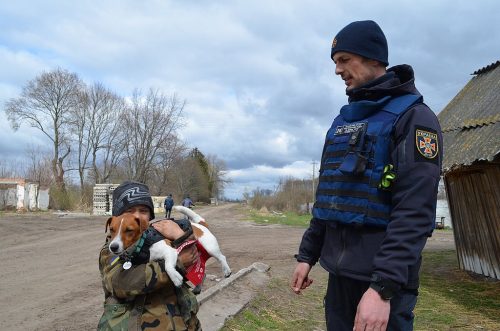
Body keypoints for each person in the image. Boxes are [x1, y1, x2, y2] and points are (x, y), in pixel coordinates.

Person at [290, 20, 442, 331]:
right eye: (335, 62)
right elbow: (328, 197)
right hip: (341, 278)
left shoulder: (415, 119)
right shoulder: (344, 122)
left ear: (374, 58)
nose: (337, 70)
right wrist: (307, 255)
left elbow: (414, 212)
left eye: (344, 59)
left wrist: (382, 288)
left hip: (384, 285)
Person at [98, 181, 201, 330]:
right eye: (130, 210)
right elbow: (123, 283)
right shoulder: (111, 250)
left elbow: (193, 258)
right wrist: (177, 263)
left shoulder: (156, 237)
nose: (138, 216)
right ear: (117, 216)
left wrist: (181, 236)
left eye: (143, 211)